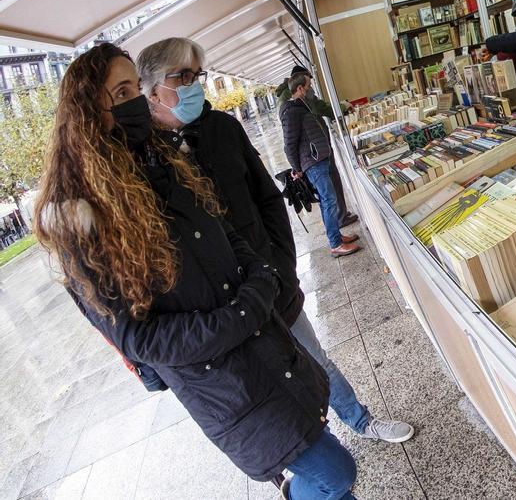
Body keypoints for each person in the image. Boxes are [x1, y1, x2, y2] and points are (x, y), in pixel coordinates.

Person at [34, 43, 353, 499]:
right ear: (88, 111)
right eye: (121, 91)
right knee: (335, 470)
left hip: (267, 346)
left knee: (328, 472)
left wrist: (265, 275)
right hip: (224, 382)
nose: (135, 102)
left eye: (134, 89)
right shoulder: (79, 219)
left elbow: (227, 230)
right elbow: (138, 338)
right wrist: (243, 313)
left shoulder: (162, 161)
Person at [137, 37, 413, 446]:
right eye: (183, 76)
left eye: (198, 75)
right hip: (220, 308)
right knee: (265, 387)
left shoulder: (223, 129)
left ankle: (359, 419)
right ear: (151, 89)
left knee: (313, 356)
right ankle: (311, 455)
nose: (194, 85)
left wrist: (280, 263)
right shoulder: (145, 157)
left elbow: (267, 198)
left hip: (269, 277)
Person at [281, 74, 361, 257]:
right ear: (300, 89)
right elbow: (289, 144)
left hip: (319, 159)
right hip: (313, 163)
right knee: (329, 201)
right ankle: (335, 244)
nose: (311, 89)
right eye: (309, 86)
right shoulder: (292, 112)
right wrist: (297, 168)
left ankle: (337, 237)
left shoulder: (304, 106)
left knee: (329, 201)